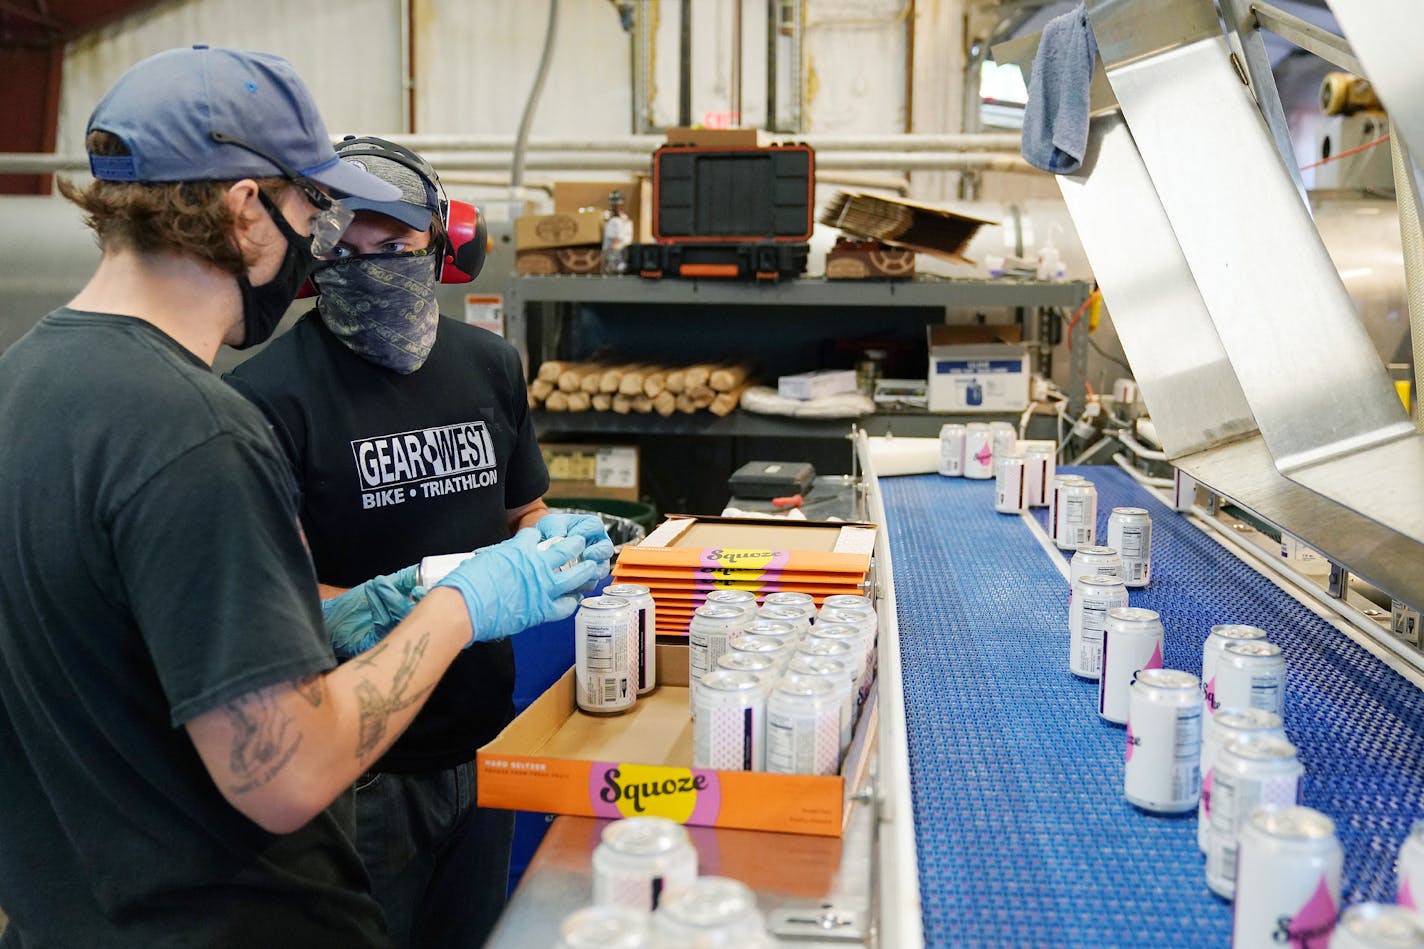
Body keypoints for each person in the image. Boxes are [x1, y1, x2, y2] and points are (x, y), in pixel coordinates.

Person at [0, 46, 601, 948]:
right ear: (246, 208)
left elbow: (131, 651)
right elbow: (285, 771)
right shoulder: (201, 432)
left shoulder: (28, 382)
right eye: (308, 208)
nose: (316, 240)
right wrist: (456, 604)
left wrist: (335, 618)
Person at [225, 136, 612, 947]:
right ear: (310, 255)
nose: (372, 268)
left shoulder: (490, 365)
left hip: (484, 744)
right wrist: (388, 606)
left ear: (443, 246)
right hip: (358, 773)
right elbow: (275, 609)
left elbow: (522, 513)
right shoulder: (263, 399)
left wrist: (559, 546)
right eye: (348, 250)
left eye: (395, 248)